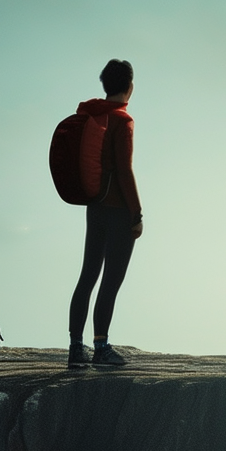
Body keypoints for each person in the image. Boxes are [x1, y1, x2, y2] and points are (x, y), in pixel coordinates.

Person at [67, 59, 143, 367]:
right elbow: (125, 171)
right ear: (130, 88)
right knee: (111, 280)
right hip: (119, 211)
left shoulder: (92, 115)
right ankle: (101, 348)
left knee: (87, 276)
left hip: (95, 207)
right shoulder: (122, 122)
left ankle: (75, 348)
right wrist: (136, 214)